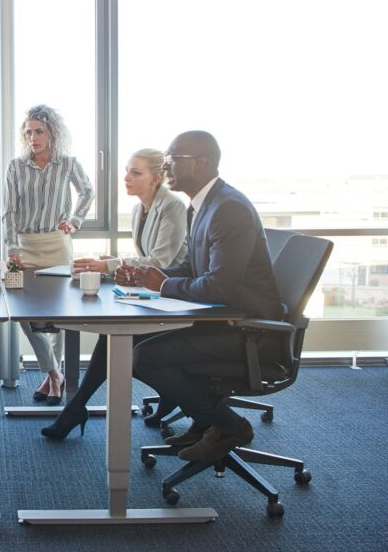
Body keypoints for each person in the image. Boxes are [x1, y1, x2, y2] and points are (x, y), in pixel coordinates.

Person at [121, 131, 283, 463]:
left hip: (248, 328)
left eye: (172, 160)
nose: (166, 167)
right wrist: (150, 278)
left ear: (202, 163)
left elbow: (218, 287)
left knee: (145, 357)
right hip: (224, 318)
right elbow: (192, 268)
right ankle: (206, 420)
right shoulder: (203, 205)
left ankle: (230, 426)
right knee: (136, 343)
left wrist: (162, 286)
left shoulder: (229, 209)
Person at [41, 148, 188, 438]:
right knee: (111, 337)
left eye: (136, 172)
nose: (126, 177)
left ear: (156, 178)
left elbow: (162, 262)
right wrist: (114, 261)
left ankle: (76, 408)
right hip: (156, 294)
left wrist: (109, 264)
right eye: (127, 170)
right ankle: (78, 407)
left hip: (178, 297)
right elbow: (147, 258)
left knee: (114, 339)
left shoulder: (172, 206)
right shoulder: (139, 209)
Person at [2, 104, 94, 405]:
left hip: (57, 244)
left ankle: (51, 375)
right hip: (25, 247)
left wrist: (75, 220)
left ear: (52, 132)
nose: (33, 137)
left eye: (39, 131)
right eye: (28, 131)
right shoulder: (16, 166)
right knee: (25, 315)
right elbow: (10, 211)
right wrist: (12, 250)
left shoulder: (67, 163)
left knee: (59, 315)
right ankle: (54, 372)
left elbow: (87, 191)